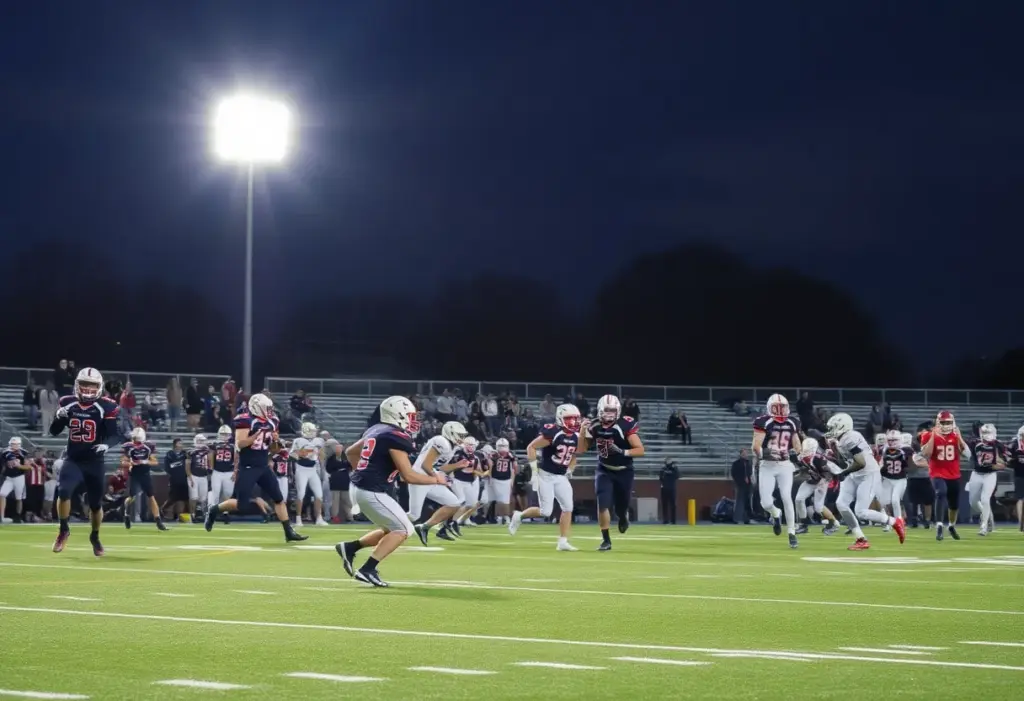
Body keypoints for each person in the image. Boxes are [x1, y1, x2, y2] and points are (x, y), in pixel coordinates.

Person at [334, 396, 447, 587]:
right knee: (403, 529)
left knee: (391, 528)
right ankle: (367, 569)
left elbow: (350, 452)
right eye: (410, 416)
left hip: (363, 487)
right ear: (398, 414)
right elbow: (408, 476)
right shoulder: (395, 436)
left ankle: (350, 548)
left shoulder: (376, 429)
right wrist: (436, 479)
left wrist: (362, 471)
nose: (413, 420)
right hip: (371, 491)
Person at [204, 393, 307, 543]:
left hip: (263, 465)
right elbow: (240, 444)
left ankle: (288, 532)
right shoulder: (245, 420)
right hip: (248, 466)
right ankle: (214, 510)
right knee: (241, 504)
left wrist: (276, 442)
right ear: (256, 407)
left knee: (279, 499)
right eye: (266, 408)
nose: (270, 411)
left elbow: (273, 449)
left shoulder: (272, 421)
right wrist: (255, 436)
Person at [49, 367, 122, 555]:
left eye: (92, 385)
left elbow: (115, 435)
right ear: (77, 385)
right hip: (73, 459)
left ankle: (95, 536)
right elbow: (54, 431)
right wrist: (58, 417)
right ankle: (63, 530)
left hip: (94, 462)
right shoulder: (67, 402)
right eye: (84, 384)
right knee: (63, 492)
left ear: (99, 387)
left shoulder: (106, 406)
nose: (88, 389)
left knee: (96, 504)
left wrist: (106, 445)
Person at [826, 412, 906, 550]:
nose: (831, 430)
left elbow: (861, 462)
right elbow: (845, 461)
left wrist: (844, 473)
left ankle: (894, 521)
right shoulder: (841, 439)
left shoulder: (850, 437)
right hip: (855, 474)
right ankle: (860, 539)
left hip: (868, 474)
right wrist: (835, 451)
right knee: (841, 504)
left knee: (861, 511)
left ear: (842, 426)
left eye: (833, 427)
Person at [508, 404, 581, 552]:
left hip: (561, 477)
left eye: (575, 419)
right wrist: (534, 472)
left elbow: (574, 455)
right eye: (569, 419)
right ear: (560, 418)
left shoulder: (576, 436)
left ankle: (563, 541)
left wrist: (570, 470)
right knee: (545, 512)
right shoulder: (553, 432)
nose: (572, 422)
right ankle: (519, 516)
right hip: (545, 475)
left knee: (568, 507)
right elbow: (531, 447)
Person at [578, 394, 644, 551]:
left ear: (618, 411)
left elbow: (640, 450)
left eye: (612, 410)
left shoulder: (625, 424)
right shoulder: (594, 425)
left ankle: (622, 516)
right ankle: (606, 540)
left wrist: (622, 451)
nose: (609, 414)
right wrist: (582, 431)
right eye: (606, 410)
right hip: (604, 469)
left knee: (621, 506)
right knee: (603, 504)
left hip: (624, 471)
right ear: (600, 410)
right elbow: (581, 449)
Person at [751, 394, 802, 548]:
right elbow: (756, 447)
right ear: (770, 408)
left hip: (784, 464)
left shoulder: (792, 422)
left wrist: (798, 455)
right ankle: (775, 513)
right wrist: (766, 453)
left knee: (787, 496)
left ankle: (792, 532)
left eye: (782, 407)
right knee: (766, 503)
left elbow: (797, 445)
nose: (780, 411)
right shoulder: (763, 422)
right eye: (776, 408)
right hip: (767, 465)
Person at [409, 421, 469, 545]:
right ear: (450, 433)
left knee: (454, 503)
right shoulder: (442, 441)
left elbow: (439, 467)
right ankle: (387, 525)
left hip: (430, 478)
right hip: (419, 478)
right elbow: (426, 465)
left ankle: (424, 527)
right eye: (460, 435)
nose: (462, 438)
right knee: (413, 515)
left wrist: (457, 465)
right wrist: (437, 478)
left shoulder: (452, 446)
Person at [920, 410, 970, 541]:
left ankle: (951, 526)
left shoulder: (955, 435)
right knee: (940, 493)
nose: (946, 425)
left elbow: (967, 455)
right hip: (937, 473)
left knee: (954, 504)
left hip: (954, 474)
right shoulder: (927, 435)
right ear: (938, 422)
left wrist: (959, 437)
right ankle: (939, 525)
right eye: (943, 422)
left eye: (948, 422)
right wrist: (933, 435)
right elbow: (926, 454)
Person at [789, 438, 841, 535]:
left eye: (808, 448)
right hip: (812, 479)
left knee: (818, 507)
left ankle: (834, 523)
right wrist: (795, 462)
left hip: (823, 480)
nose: (806, 451)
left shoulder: (819, 458)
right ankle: (803, 524)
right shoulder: (801, 457)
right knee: (799, 499)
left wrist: (823, 483)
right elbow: (802, 472)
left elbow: (829, 473)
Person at [121, 427, 166, 531]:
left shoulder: (148, 446)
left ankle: (158, 521)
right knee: (132, 497)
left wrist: (144, 461)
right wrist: (131, 463)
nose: (137, 442)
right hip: (134, 474)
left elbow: (155, 462)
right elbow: (123, 462)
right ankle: (126, 513)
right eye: (135, 439)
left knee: (151, 496)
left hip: (145, 473)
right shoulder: (128, 446)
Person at [966, 423, 1004, 536]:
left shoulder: (998, 445)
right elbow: (964, 448)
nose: (986, 435)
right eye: (984, 432)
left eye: (988, 432)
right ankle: (988, 516)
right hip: (976, 474)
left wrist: (994, 464)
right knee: (973, 502)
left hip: (990, 475)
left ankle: (984, 526)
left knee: (985, 499)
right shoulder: (975, 443)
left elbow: (1003, 463)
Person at [290, 422, 327, 527]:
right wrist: (301, 454)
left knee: (319, 495)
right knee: (301, 494)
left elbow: (321, 454)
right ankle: (298, 519)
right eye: (312, 430)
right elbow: (292, 454)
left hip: (313, 469)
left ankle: (319, 518)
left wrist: (322, 463)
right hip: (301, 469)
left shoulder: (319, 440)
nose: (314, 432)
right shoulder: (298, 440)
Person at [877, 430, 912, 530]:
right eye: (890, 440)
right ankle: (890, 522)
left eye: (894, 440)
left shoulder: (906, 449)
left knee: (895, 501)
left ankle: (899, 522)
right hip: (887, 478)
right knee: (885, 502)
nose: (892, 442)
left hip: (900, 479)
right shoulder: (884, 449)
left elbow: (909, 464)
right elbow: (881, 462)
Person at [208, 425, 236, 520]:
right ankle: (212, 512)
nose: (224, 436)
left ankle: (225, 512)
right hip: (217, 472)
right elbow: (210, 456)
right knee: (215, 493)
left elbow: (236, 459)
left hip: (229, 472)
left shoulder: (233, 445)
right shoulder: (214, 444)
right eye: (222, 434)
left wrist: (235, 471)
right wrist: (211, 468)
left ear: (230, 435)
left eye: (226, 434)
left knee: (228, 493)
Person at [1, 437, 30, 523]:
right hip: (9, 478)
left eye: (15, 444)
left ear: (19, 445)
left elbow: (28, 467)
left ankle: (18, 516)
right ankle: (1, 516)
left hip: (19, 477)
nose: (13, 446)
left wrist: (19, 466)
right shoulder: (5, 452)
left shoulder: (24, 453)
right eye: (12, 444)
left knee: (19, 498)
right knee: (2, 494)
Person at [489, 437, 517, 525]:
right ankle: (499, 516)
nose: (502, 448)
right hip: (496, 478)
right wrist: (490, 478)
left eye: (503, 446)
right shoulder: (494, 454)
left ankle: (505, 516)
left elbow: (514, 468)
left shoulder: (510, 455)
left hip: (506, 479)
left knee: (506, 500)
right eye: (501, 446)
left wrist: (512, 480)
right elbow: (490, 467)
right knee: (499, 500)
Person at [186, 434, 211, 521]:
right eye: (199, 440)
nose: (200, 442)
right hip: (193, 476)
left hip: (203, 476)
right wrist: (190, 478)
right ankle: (192, 515)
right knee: (193, 497)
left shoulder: (208, 451)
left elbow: (210, 464)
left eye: (202, 441)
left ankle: (203, 515)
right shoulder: (190, 452)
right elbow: (187, 466)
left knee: (203, 498)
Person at [1006, 425, 1024, 532]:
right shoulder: (1014, 444)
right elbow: (1007, 459)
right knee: (1020, 498)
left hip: (1019, 474)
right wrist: (1012, 461)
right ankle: (1021, 522)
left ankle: (1021, 522)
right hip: (1019, 474)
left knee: (1021, 499)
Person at [731, 449, 753, 524]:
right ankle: (736, 519)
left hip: (748, 485)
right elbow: (733, 474)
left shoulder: (748, 463)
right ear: (740, 454)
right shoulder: (736, 463)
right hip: (740, 485)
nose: (745, 454)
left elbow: (750, 473)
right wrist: (739, 481)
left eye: (746, 453)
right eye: (743, 453)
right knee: (739, 502)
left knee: (747, 502)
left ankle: (746, 519)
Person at [659, 459, 679, 524]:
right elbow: (660, 478)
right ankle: (665, 520)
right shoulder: (663, 469)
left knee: (673, 505)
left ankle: (673, 520)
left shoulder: (674, 469)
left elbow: (677, 476)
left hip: (672, 489)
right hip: (664, 488)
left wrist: (673, 469)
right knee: (664, 505)